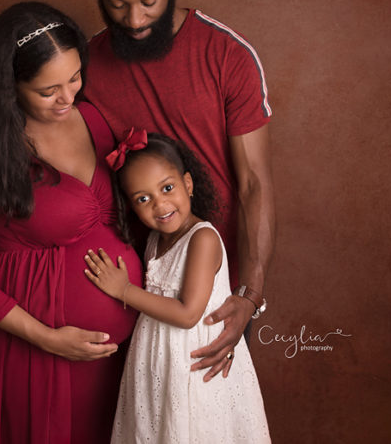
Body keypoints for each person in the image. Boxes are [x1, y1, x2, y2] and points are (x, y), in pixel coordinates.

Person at [0, 1, 143, 444]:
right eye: (49, 90)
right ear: (9, 86)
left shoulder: (91, 119)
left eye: (74, 78)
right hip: (36, 353)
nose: (68, 97)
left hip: (116, 357)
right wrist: (48, 338)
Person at [85, 0, 276, 381]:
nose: (134, 20)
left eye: (149, 1)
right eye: (117, 3)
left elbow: (254, 184)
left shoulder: (226, 55)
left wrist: (249, 296)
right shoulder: (85, 63)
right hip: (123, 284)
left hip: (211, 294)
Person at [83, 131, 271, 443]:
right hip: (160, 364)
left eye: (167, 188)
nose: (160, 205)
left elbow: (187, 314)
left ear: (188, 183)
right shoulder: (156, 240)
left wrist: (124, 290)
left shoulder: (202, 239)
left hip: (193, 365)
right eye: (143, 199)